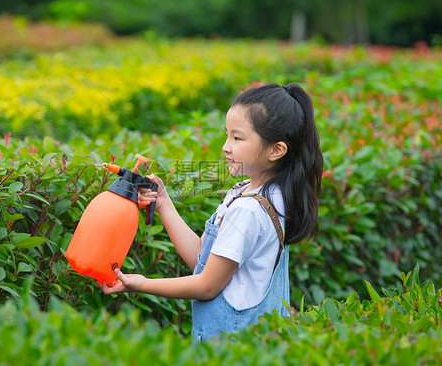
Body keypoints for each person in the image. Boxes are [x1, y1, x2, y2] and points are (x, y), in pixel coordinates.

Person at [102, 83, 324, 344]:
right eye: (227, 135)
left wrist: (139, 283)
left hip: (231, 349)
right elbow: (204, 259)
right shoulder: (263, 193)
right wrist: (163, 202)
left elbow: (207, 285)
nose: (225, 147)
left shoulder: (249, 209)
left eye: (238, 138)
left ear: (276, 150)